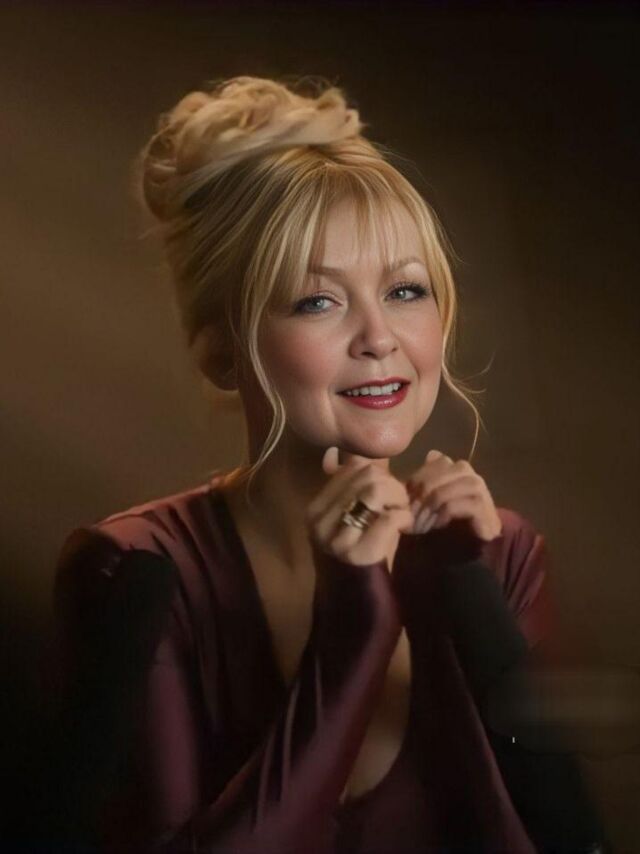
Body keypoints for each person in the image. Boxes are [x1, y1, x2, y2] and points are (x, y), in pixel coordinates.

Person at [51, 76, 603, 853]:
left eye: (405, 290)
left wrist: (455, 604)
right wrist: (354, 633)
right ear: (219, 350)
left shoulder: (500, 554)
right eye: (319, 301)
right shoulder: (136, 572)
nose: (379, 338)